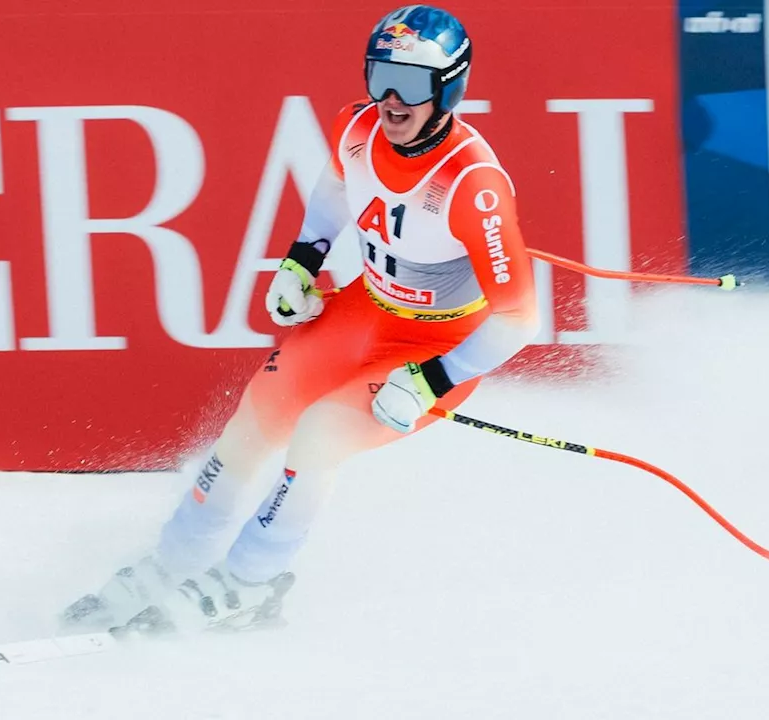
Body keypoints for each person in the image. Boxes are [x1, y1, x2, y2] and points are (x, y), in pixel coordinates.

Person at [63, 4, 539, 634]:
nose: (392, 100)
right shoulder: (357, 127)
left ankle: (251, 584)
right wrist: (301, 262)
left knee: (319, 436)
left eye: (414, 85)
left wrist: (432, 379)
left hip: (437, 344)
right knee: (255, 416)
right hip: (365, 309)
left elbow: (520, 317)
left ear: (450, 87)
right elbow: (332, 199)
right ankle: (172, 562)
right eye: (380, 77)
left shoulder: (472, 186)